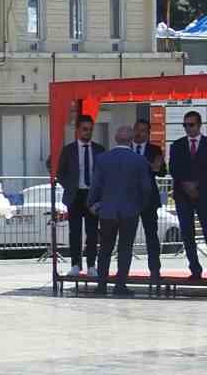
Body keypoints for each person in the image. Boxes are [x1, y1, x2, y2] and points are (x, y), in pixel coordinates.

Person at [89, 124, 152, 297]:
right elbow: (146, 188)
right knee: (125, 248)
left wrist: (92, 204)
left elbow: (96, 185)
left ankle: (101, 285)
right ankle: (120, 285)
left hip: (107, 211)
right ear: (131, 140)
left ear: (115, 138)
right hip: (130, 211)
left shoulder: (102, 159)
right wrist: (140, 206)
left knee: (105, 248)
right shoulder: (139, 160)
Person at [53, 114, 103, 275]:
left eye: (90, 130)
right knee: (74, 231)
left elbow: (103, 174)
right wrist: (69, 187)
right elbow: (60, 173)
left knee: (92, 231)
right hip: (74, 195)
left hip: (92, 195)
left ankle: (91, 265)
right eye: (84, 129)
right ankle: (75, 264)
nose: (87, 133)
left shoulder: (99, 150)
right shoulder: (69, 150)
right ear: (78, 130)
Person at [169, 110, 207, 280]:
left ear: (199, 125)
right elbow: (174, 168)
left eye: (191, 125)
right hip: (183, 195)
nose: (187, 128)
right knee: (187, 233)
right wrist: (186, 185)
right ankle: (195, 269)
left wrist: (197, 185)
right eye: (185, 125)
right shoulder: (176, 145)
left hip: (204, 194)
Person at [130, 118, 165, 285]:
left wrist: (157, 167)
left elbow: (162, 172)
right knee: (126, 236)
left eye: (143, 130)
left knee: (152, 236)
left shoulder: (155, 150)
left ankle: (155, 270)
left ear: (148, 133)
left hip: (149, 200)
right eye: (137, 129)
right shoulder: (126, 148)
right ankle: (123, 271)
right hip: (128, 200)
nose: (139, 133)